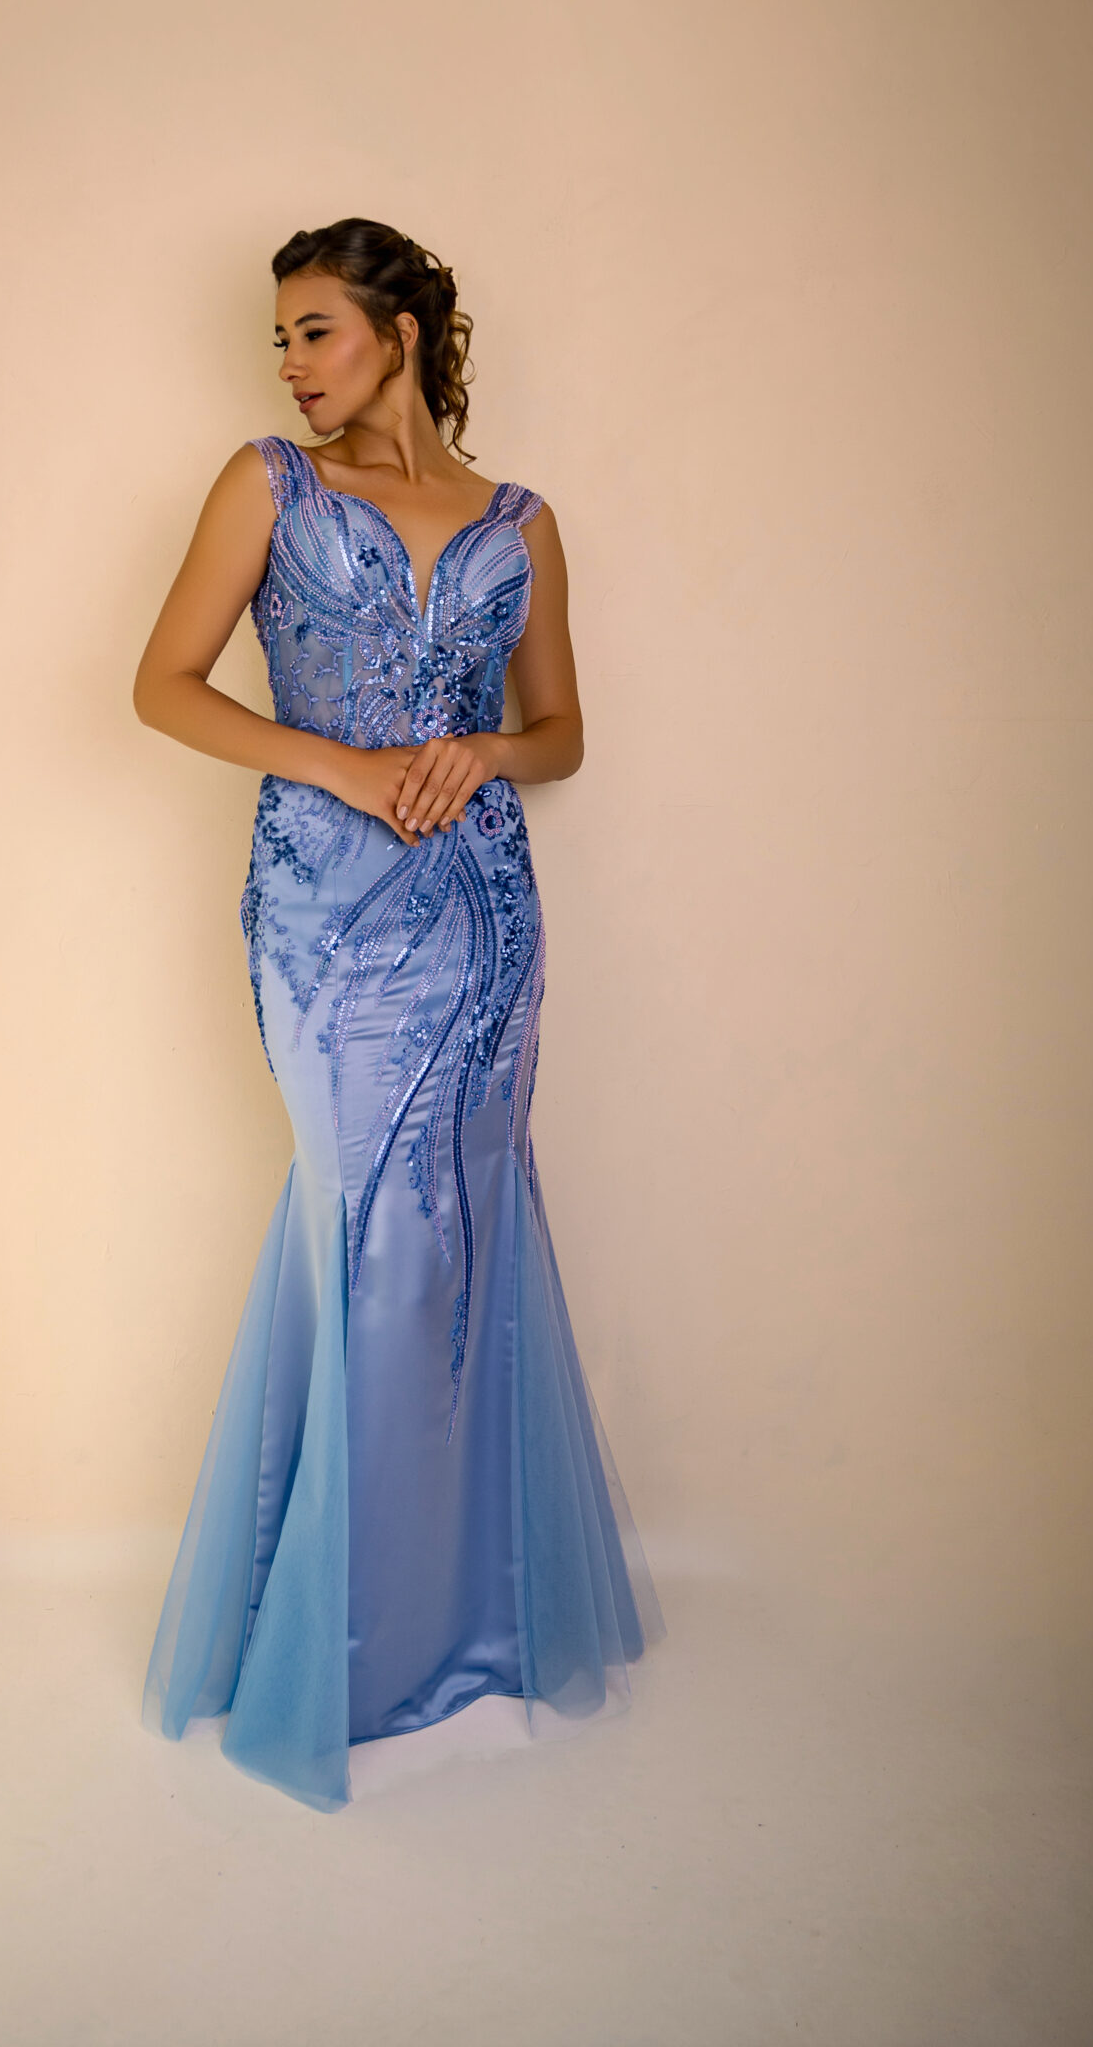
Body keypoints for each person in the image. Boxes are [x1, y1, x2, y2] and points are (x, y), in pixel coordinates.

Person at [133, 217, 663, 1809]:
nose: (290, 366)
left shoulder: (521, 523)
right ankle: (339, 1643)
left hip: (482, 917)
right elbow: (163, 684)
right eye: (280, 340)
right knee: (360, 1224)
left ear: (401, 334)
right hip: (324, 911)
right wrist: (347, 768)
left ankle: (460, 1624)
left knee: (468, 1228)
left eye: (315, 331)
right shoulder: (267, 487)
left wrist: (482, 753)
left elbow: (560, 731)